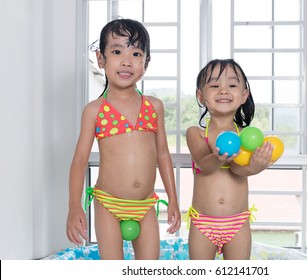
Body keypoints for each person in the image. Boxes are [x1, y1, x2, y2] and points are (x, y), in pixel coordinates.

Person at [66, 18, 181, 260]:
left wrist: (173, 199)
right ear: (101, 59)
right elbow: (79, 161)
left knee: (149, 266)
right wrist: (74, 206)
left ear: (146, 63)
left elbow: (162, 154)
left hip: (145, 204)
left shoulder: (154, 106)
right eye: (117, 51)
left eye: (136, 53)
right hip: (108, 204)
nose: (127, 61)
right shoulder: (95, 110)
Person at [185, 59, 274, 260]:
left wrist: (254, 167)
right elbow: (205, 166)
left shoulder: (246, 138)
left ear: (244, 95)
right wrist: (218, 156)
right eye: (215, 85)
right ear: (201, 96)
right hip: (203, 223)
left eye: (232, 85)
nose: (223, 90)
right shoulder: (196, 134)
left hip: (238, 223)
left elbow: (237, 170)